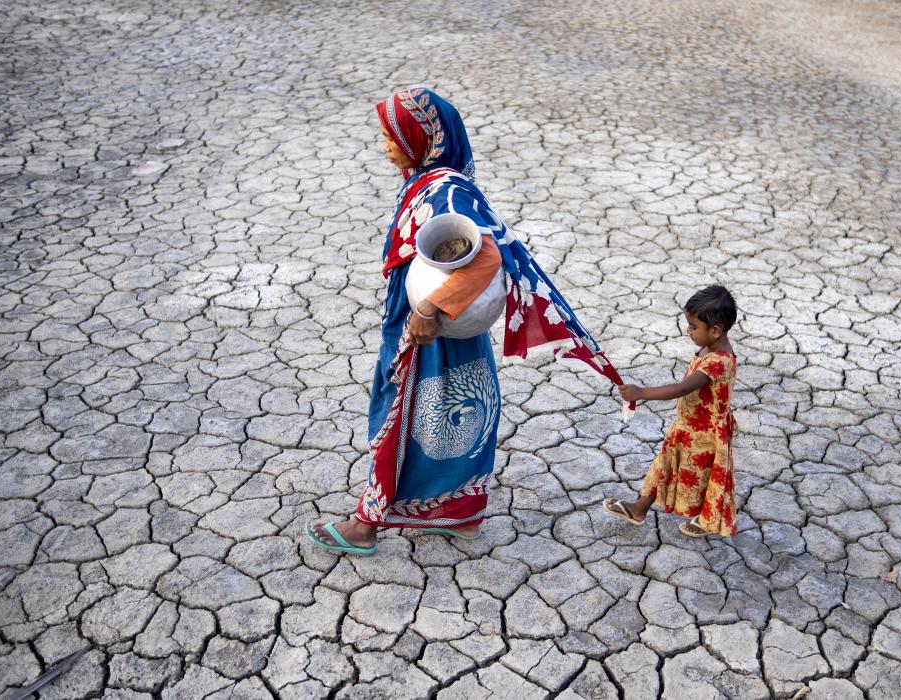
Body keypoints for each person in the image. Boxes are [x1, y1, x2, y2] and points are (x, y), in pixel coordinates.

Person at [307, 87, 626, 555]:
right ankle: (461, 515)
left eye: (391, 136)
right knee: (450, 412)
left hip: (431, 326)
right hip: (452, 323)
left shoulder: (444, 190)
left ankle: (365, 525)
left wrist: (427, 310)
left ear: (420, 137)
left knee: (405, 414)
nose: (385, 146)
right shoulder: (435, 180)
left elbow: (484, 257)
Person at [603, 285, 739, 538]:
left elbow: (682, 388)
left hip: (704, 435)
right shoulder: (710, 348)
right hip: (687, 427)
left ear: (715, 330)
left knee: (708, 478)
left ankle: (709, 521)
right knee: (663, 466)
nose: (688, 331)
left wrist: (642, 393)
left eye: (693, 326)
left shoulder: (719, 362)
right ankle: (639, 508)